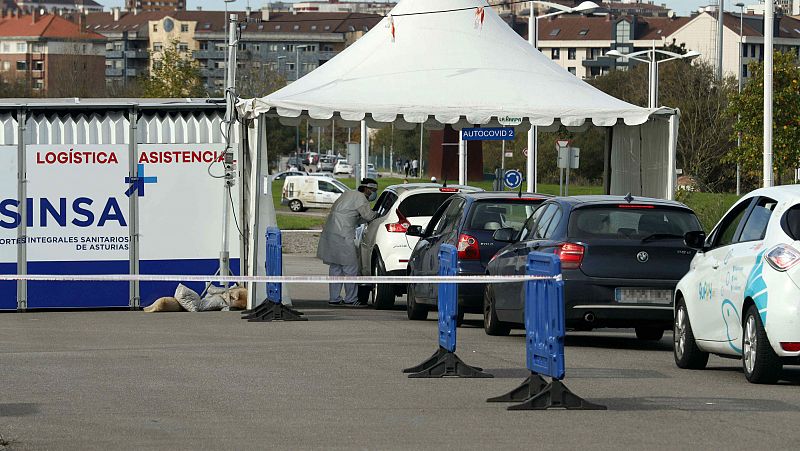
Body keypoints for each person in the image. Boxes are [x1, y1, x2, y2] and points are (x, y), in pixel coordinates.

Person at [317, 178, 379, 307]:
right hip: (343, 235)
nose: (374, 193)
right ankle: (351, 299)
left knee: (336, 267)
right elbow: (368, 216)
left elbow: (352, 217)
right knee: (350, 267)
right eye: (373, 190)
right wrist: (377, 214)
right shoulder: (361, 198)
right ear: (367, 189)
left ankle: (334, 298)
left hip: (332, 233)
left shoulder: (348, 194)